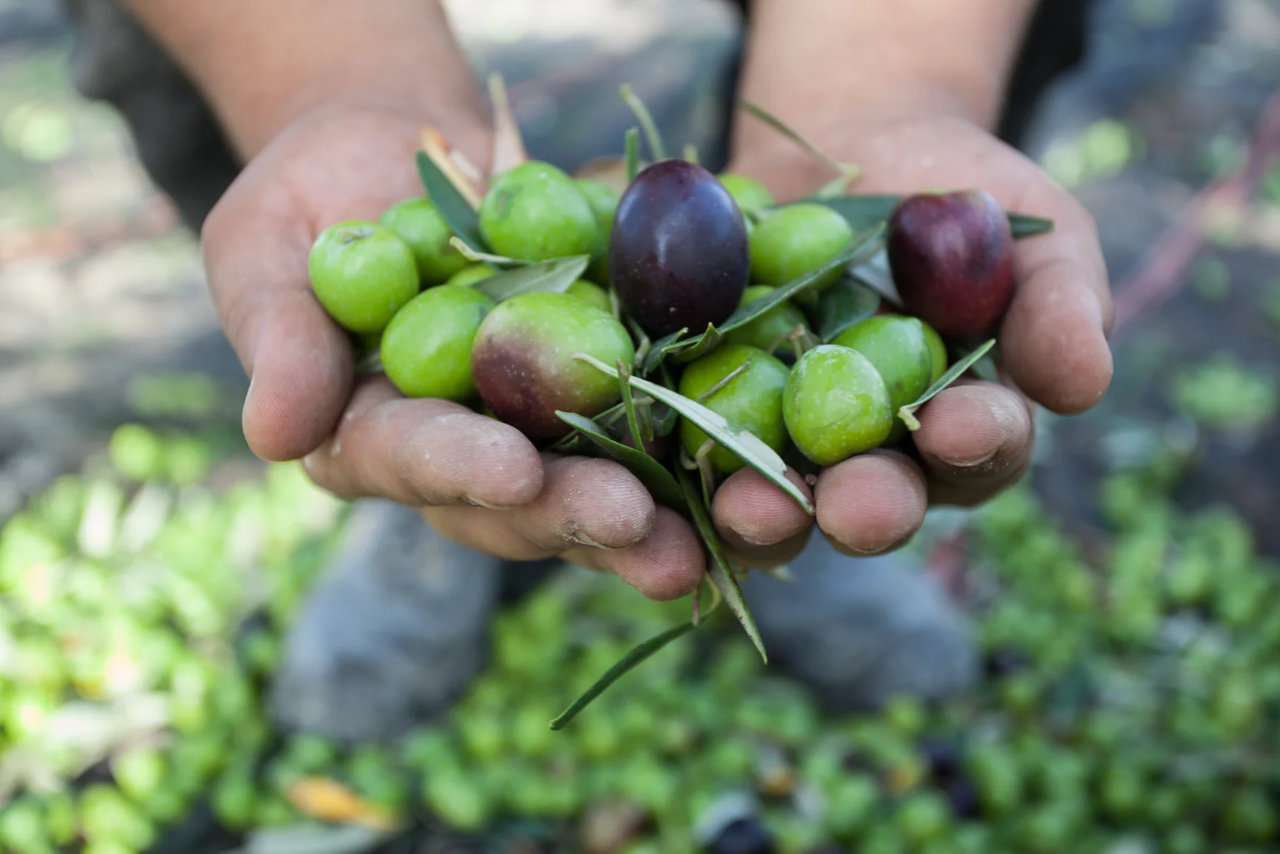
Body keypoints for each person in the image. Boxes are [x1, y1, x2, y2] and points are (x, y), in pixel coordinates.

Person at [67, 0, 1111, 737]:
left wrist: (882, 83)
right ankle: (440, 468)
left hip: (756, 336)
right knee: (445, 402)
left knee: (809, 435)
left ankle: (786, 488)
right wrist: (326, 87)